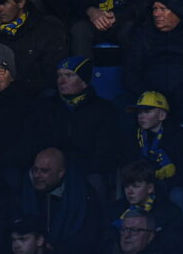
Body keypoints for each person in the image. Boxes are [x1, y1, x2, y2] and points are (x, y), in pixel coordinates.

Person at [25, 56, 120, 184]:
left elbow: (105, 153)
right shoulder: (45, 107)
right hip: (49, 168)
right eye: (59, 75)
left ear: (84, 81)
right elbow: (35, 141)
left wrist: (77, 169)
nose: (61, 81)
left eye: (69, 75)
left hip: (85, 170)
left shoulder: (104, 110)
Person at [17, 147, 100, 254]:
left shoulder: (83, 195)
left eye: (44, 171)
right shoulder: (26, 193)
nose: (37, 175)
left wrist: (57, 247)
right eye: (35, 170)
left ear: (60, 173)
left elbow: (90, 236)